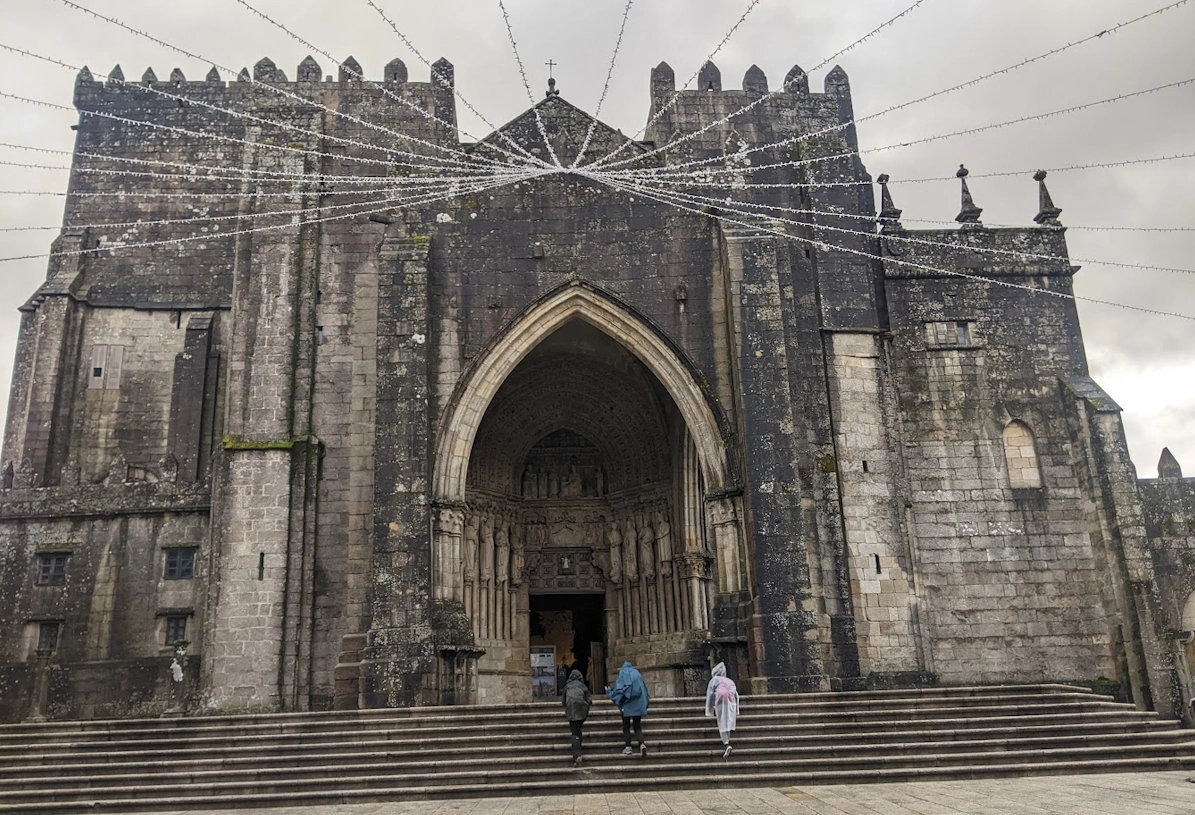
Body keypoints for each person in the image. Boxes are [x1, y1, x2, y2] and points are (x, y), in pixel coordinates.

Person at [606, 660, 650, 756]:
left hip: (626, 705)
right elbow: (644, 690)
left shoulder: (623, 673)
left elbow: (620, 690)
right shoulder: (637, 674)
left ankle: (628, 747)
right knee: (637, 726)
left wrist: (609, 692)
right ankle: (641, 744)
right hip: (638, 705)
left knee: (626, 726)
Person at [705, 661, 739, 758]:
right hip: (731, 702)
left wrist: (709, 709)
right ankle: (727, 740)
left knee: (722, 722)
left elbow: (710, 694)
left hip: (721, 701)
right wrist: (737, 710)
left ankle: (726, 744)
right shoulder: (729, 681)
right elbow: (736, 695)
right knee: (727, 722)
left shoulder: (714, 680)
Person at [562, 669, 591, 767]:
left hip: (571, 711)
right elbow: (589, 699)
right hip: (582, 711)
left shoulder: (567, 687)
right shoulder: (582, 686)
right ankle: (578, 748)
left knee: (575, 732)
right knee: (578, 730)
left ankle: (577, 754)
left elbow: (563, 701)